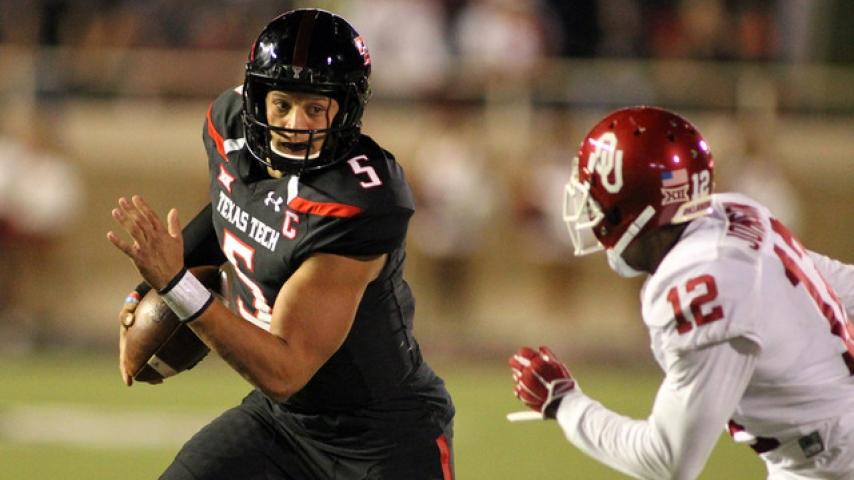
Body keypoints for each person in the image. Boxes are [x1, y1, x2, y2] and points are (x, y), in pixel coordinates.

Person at [107, 9, 455, 480]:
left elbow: (285, 370)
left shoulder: (358, 199)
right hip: (283, 424)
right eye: (283, 104)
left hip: (381, 437)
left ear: (345, 110)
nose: (295, 124)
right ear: (256, 99)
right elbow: (230, 205)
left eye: (315, 108)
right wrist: (145, 290)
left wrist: (175, 285)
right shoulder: (229, 126)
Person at [508, 106, 854, 479]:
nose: (593, 220)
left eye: (598, 206)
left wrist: (565, 403)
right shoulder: (732, 211)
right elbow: (843, 287)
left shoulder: (700, 287)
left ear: (634, 210)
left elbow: (666, 460)